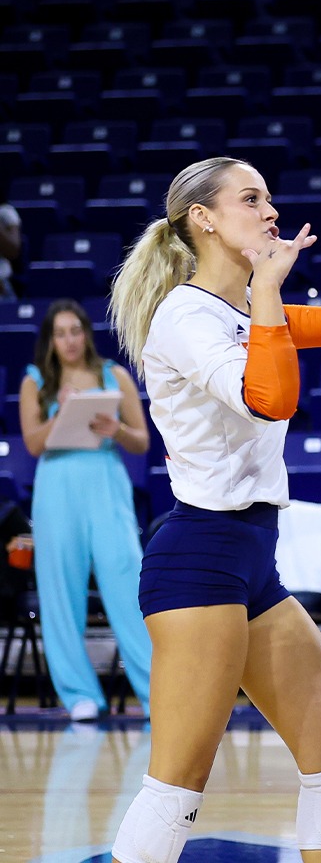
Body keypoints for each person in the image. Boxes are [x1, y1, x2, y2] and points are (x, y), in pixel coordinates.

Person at [105, 155, 321, 863]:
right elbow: (268, 396)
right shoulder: (184, 315)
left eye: (270, 199)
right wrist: (272, 290)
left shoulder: (237, 309)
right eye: (252, 199)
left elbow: (292, 327)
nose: (272, 212)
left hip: (253, 567)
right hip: (199, 562)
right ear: (204, 220)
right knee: (177, 787)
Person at [18, 299, 153, 722]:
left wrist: (117, 429)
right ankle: (79, 694)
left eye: (75, 331)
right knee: (60, 591)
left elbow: (142, 441)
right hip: (57, 488)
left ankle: (156, 692)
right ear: (51, 340)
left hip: (105, 484)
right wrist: (60, 410)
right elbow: (33, 444)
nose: (70, 340)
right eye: (60, 333)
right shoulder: (35, 381)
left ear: (85, 333)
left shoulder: (114, 374)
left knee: (127, 583)